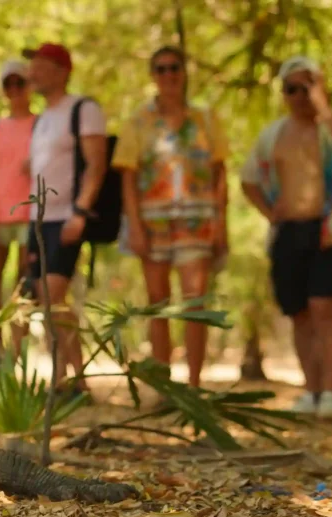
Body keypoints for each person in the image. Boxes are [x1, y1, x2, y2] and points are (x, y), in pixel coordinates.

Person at [240, 56, 332, 418]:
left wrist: (323, 107)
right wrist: (270, 212)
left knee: (324, 307)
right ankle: (310, 392)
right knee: (299, 314)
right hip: (289, 232)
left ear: (320, 86)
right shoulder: (272, 135)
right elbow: (248, 180)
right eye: (291, 88)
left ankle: (330, 394)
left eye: (306, 86)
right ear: (283, 93)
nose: (300, 95)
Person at [111, 46, 230, 388]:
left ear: (184, 72)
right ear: (153, 75)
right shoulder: (138, 121)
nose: (168, 75)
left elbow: (220, 173)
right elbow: (128, 177)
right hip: (152, 225)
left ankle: (194, 385)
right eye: (161, 69)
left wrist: (221, 224)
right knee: (157, 304)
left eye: (174, 67)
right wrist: (134, 227)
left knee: (196, 304)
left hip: (198, 222)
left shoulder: (206, 119)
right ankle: (163, 385)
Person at [23, 42, 109, 394]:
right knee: (46, 300)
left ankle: (69, 377)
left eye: (40, 65)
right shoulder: (41, 118)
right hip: (37, 219)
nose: (32, 72)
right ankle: (72, 379)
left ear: (62, 71)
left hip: (67, 217)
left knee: (53, 295)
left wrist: (81, 211)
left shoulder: (83, 109)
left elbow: (96, 163)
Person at [0, 60, 35, 350]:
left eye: (19, 83)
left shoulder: (41, 124)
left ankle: (19, 352)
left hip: (30, 214)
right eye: (8, 84)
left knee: (23, 289)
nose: (14, 89)